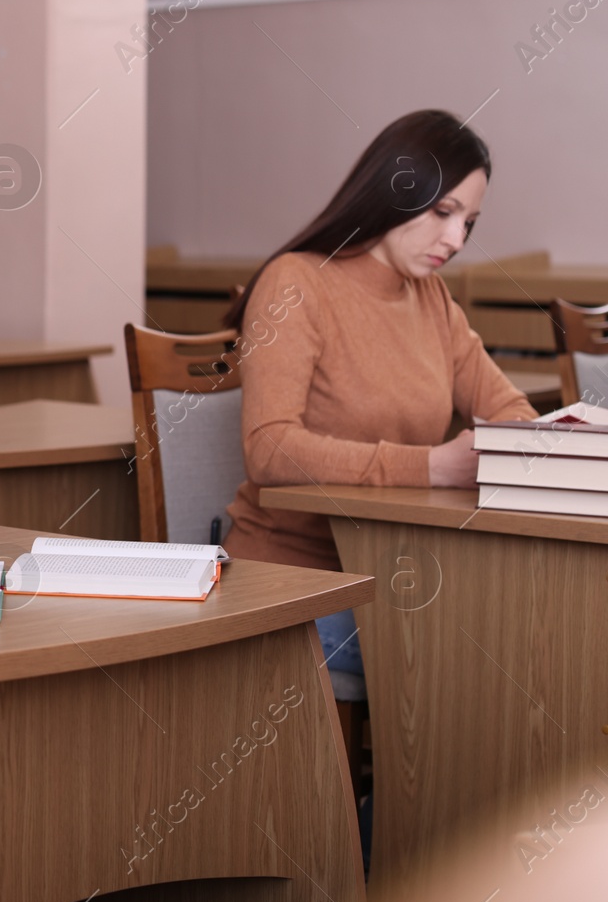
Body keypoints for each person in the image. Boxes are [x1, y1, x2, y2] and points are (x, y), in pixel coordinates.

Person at [222, 109, 537, 680]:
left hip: (394, 571)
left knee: (525, 630)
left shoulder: (432, 298)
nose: (456, 239)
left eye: (470, 222)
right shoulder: (297, 282)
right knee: (476, 654)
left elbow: (513, 411)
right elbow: (268, 449)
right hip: (294, 581)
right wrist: (434, 467)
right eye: (444, 212)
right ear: (397, 190)